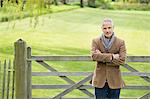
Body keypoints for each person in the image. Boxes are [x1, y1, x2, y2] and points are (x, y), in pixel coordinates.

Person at [91, 18, 126, 99]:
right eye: (105, 28)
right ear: (102, 29)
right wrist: (112, 56)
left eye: (109, 28)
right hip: (100, 81)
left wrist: (102, 57)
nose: (107, 30)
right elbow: (94, 56)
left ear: (113, 28)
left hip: (115, 81)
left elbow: (122, 60)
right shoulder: (95, 41)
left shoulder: (120, 42)